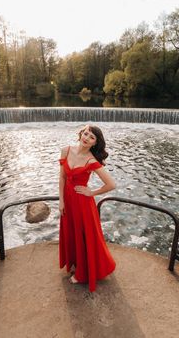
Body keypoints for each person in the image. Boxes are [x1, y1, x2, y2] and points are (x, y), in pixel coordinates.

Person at [58, 124, 116, 292]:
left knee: (84, 236)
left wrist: (91, 193)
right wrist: (61, 201)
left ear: (94, 143)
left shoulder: (91, 160)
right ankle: (76, 262)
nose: (86, 138)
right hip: (68, 201)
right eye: (86, 133)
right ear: (80, 133)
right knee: (72, 233)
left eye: (91, 137)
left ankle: (83, 274)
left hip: (83, 204)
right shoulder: (66, 150)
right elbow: (62, 177)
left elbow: (111, 184)